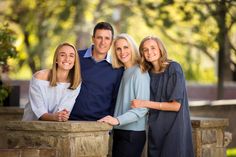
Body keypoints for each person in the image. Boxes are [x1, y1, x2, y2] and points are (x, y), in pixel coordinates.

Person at [131, 36, 194, 157]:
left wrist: (144, 103)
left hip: (174, 130)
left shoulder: (174, 68)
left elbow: (176, 106)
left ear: (160, 49)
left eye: (153, 47)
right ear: (142, 53)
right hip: (155, 131)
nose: (150, 52)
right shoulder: (147, 74)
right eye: (145, 49)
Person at [98, 33, 150, 157]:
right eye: (118, 49)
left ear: (132, 47)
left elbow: (142, 109)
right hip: (120, 131)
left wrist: (116, 120)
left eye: (126, 47)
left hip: (132, 134)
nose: (122, 52)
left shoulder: (139, 71)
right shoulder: (124, 72)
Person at [70, 22, 123, 121]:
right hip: (71, 120)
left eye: (107, 38)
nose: (103, 42)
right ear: (93, 39)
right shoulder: (76, 58)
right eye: (99, 37)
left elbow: (115, 99)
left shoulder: (117, 68)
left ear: (112, 41)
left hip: (99, 124)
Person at [22, 42, 81, 121]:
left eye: (71, 55)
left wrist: (61, 115)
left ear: (74, 61)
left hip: (56, 125)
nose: (67, 59)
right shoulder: (39, 77)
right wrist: (54, 117)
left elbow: (64, 110)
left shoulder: (76, 82)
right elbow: (40, 112)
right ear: (56, 59)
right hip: (32, 125)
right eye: (63, 55)